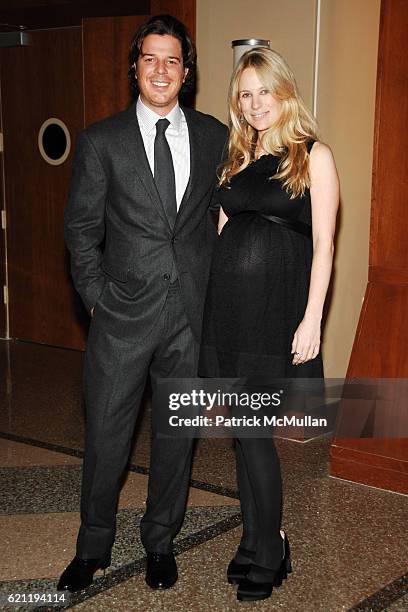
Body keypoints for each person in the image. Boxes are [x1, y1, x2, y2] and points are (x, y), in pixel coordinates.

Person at [58, 14, 227, 592]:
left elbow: (212, 219)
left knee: (177, 436)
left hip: (190, 318)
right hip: (121, 316)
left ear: (187, 71)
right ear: (135, 68)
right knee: (107, 436)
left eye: (172, 60)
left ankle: (161, 541)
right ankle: (92, 547)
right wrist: (97, 299)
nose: (161, 70)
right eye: (150, 59)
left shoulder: (213, 136)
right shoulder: (101, 141)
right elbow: (81, 230)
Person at [199, 47, 339, 602]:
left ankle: (271, 544)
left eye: (264, 92)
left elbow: (326, 245)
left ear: (284, 92)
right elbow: (224, 231)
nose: (255, 104)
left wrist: (313, 319)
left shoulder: (313, 155)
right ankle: (255, 538)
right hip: (229, 312)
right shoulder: (236, 154)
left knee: (256, 435)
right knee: (242, 433)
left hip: (276, 314)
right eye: (245, 94)